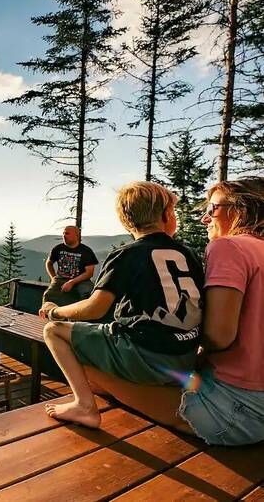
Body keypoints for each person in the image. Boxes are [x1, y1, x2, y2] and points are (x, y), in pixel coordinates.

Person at [71, 178, 264, 446]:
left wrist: (176, 343)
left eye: (213, 209)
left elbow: (219, 337)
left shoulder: (229, 246)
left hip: (235, 411)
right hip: (250, 397)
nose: (205, 219)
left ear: (244, 208)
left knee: (86, 368)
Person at [37, 181, 204, 428]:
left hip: (144, 358)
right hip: (185, 358)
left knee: (53, 332)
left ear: (126, 222)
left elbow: (95, 309)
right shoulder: (189, 253)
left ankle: (84, 406)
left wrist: (54, 312)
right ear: (167, 216)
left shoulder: (128, 254)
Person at [43, 226, 98, 306]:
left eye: (67, 233)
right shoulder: (58, 248)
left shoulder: (86, 251)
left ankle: (82, 316)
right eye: (63, 233)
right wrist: (53, 277)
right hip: (61, 279)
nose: (64, 235)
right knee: (48, 295)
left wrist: (72, 282)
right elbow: (49, 263)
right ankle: (46, 314)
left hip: (81, 280)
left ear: (76, 235)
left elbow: (89, 273)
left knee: (88, 293)